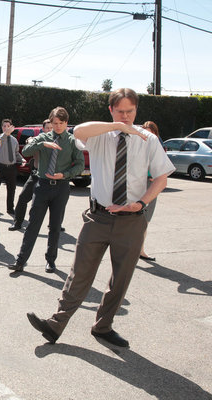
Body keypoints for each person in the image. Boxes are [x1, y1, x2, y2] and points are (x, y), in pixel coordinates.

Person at [26, 88, 175, 348]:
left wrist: (141, 203)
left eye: (130, 111)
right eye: (120, 111)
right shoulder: (101, 135)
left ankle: (103, 327)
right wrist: (117, 126)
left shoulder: (148, 140)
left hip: (131, 219)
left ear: (137, 110)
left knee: (121, 278)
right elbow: (79, 131)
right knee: (79, 273)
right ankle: (55, 324)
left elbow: (161, 178)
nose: (126, 116)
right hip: (98, 217)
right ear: (111, 111)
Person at [10, 107, 84, 274]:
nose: (57, 126)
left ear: (66, 123)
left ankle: (50, 261)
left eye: (61, 123)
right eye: (54, 123)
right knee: (33, 225)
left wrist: (65, 174)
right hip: (42, 186)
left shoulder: (72, 141)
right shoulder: (43, 137)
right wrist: (42, 143)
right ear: (50, 122)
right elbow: (26, 152)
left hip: (61, 187)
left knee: (55, 226)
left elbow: (80, 164)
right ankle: (20, 260)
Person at [9, 119, 52, 231]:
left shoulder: (57, 141)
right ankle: (17, 223)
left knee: (53, 202)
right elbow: (29, 143)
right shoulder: (37, 140)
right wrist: (30, 140)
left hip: (50, 177)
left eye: (51, 128)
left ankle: (55, 224)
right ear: (43, 129)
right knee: (22, 198)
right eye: (47, 128)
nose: (49, 130)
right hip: (36, 175)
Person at [139, 120, 162, 261]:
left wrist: (157, 175)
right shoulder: (136, 145)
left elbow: (164, 166)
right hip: (137, 185)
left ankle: (141, 250)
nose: (148, 134)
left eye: (151, 131)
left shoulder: (157, 147)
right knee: (133, 220)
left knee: (146, 220)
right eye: (146, 131)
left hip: (151, 185)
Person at [0, 118, 24, 216]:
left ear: (12, 127)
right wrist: (5, 134)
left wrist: (22, 159)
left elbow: (16, 153)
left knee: (11, 189)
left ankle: (10, 208)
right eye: (4, 126)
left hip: (11, 168)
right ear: (1, 127)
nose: (6, 128)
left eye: (8, 126)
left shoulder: (14, 140)